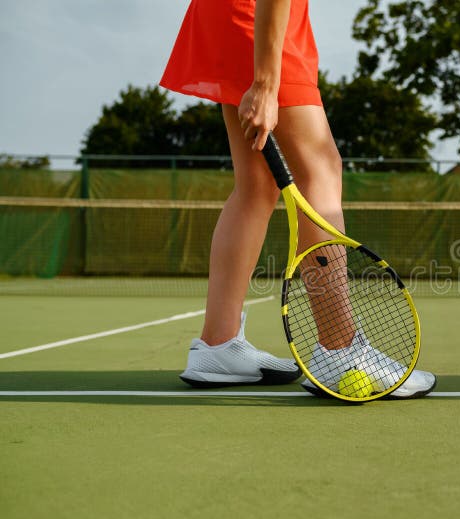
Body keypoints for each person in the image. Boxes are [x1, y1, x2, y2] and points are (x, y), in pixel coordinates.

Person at [159, 0, 436, 398]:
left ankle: (218, 346)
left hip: (240, 17)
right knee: (319, 168)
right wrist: (267, 83)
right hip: (258, 17)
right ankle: (338, 347)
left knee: (257, 184)